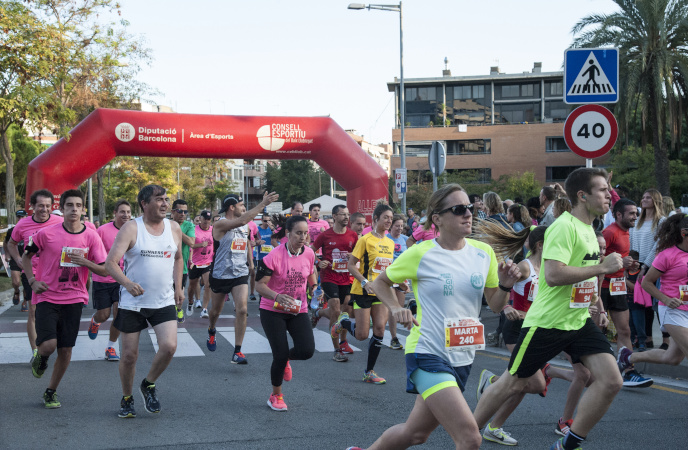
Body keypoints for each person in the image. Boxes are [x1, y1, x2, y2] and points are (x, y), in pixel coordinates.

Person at [346, 184, 521, 450]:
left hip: (462, 355)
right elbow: (381, 282)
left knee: (415, 434)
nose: (468, 214)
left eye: (470, 208)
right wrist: (394, 308)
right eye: (459, 209)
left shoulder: (482, 253)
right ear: (437, 219)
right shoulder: (422, 252)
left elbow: (496, 305)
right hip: (428, 352)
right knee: (470, 438)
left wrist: (506, 286)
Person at [473, 167, 624, 450]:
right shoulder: (564, 227)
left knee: (611, 380)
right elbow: (554, 275)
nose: (609, 195)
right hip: (547, 323)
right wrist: (602, 266)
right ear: (582, 195)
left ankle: (568, 444)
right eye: (603, 190)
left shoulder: (589, 229)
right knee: (513, 383)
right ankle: (467, 437)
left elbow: (585, 273)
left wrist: (596, 304)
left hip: (577, 321)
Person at [105, 184, 184, 418]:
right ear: (144, 204)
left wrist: (178, 287)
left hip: (164, 300)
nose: (165, 203)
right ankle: (127, 398)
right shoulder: (131, 228)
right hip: (133, 303)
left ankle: (148, 383)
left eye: (166, 199)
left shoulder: (174, 228)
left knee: (169, 347)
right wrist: (127, 283)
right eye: (159, 199)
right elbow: (111, 263)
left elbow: (178, 258)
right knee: (129, 355)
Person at [24, 190, 108, 409]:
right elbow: (26, 256)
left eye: (78, 205)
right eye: (69, 205)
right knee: (49, 345)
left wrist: (85, 262)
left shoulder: (91, 236)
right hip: (47, 296)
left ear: (83, 209)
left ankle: (51, 391)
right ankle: (40, 356)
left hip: (74, 298)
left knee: (66, 350)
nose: (74, 209)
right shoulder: (46, 233)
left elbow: (103, 267)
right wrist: (32, 281)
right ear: (61, 208)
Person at [471, 224, 549, 445]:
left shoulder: (551, 268)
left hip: (537, 329)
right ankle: (476, 428)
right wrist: (506, 308)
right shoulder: (525, 267)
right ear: (541, 245)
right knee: (533, 383)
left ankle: (494, 421)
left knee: (523, 383)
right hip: (517, 328)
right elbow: (498, 287)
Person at [206, 192, 279, 364]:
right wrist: (262, 204)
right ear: (232, 207)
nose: (244, 208)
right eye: (241, 205)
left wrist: (250, 263)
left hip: (239, 272)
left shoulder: (245, 226)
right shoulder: (221, 223)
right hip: (220, 274)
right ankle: (211, 329)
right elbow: (241, 221)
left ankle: (237, 351)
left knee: (242, 310)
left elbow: (246, 241)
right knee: (215, 311)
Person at [255, 215, 317, 411]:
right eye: (298, 233)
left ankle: (287, 359)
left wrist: (314, 287)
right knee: (279, 354)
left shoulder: (309, 253)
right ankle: (276, 395)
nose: (303, 237)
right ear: (288, 234)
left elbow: (311, 271)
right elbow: (258, 285)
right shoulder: (273, 256)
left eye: (305, 233)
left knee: (307, 351)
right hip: (272, 309)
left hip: (298, 308)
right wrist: (276, 296)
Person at [332, 203, 395, 384]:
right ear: (375, 219)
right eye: (386, 218)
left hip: (381, 291)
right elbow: (351, 265)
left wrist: (398, 282)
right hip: (362, 290)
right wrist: (365, 282)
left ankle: (369, 372)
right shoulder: (365, 240)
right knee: (361, 335)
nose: (389, 221)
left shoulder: (390, 243)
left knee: (380, 329)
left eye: (391, 218)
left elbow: (387, 269)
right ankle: (343, 322)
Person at [619, 214, 688, 376]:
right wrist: (665, 299)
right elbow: (646, 282)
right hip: (673, 312)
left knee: (673, 358)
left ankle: (628, 357)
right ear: (684, 233)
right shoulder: (667, 255)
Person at [601, 198, 653, 387]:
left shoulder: (627, 232)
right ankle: (591, 370)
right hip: (602, 286)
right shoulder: (609, 232)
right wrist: (617, 264)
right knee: (597, 329)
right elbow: (595, 259)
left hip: (618, 285)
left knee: (625, 330)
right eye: (631, 213)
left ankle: (628, 371)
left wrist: (630, 264)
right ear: (619, 214)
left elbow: (620, 261)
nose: (635, 216)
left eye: (635, 213)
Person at [7, 189, 63, 361]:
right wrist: (17, 259)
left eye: (47, 206)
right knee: (33, 310)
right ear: (32, 206)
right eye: (40, 206)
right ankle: (36, 351)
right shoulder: (23, 224)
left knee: (57, 310)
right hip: (32, 272)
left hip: (55, 272)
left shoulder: (59, 221)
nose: (44, 209)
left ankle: (53, 341)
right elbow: (12, 243)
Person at [311, 205, 358, 361]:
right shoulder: (325, 235)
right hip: (329, 276)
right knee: (336, 309)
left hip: (347, 277)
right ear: (334, 216)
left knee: (345, 312)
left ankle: (318, 313)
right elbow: (310, 251)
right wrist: (319, 262)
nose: (346, 217)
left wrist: (354, 256)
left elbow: (359, 256)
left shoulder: (353, 235)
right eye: (342, 214)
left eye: (347, 214)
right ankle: (336, 349)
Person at [87, 199, 132, 361]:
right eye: (122, 212)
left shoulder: (133, 230)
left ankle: (111, 347)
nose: (125, 215)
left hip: (122, 280)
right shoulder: (102, 230)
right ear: (115, 213)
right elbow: (92, 250)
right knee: (104, 315)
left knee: (118, 314)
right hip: (103, 279)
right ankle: (95, 320)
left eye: (128, 212)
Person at [630, 189, 666, 349]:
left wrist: (646, 266)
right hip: (636, 265)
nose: (643, 200)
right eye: (643, 197)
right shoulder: (637, 220)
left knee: (656, 304)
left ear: (655, 201)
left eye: (648, 197)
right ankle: (648, 337)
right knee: (642, 304)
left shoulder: (661, 221)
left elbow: (658, 245)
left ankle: (666, 340)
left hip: (654, 267)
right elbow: (632, 241)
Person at [386, 214, 409, 350]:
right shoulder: (385, 239)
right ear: (391, 226)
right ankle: (394, 338)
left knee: (399, 308)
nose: (400, 228)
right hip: (387, 277)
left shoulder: (406, 240)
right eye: (397, 226)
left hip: (402, 277)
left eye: (401, 226)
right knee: (393, 308)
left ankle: (382, 326)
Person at [171, 199, 195, 323]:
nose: (183, 214)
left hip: (181, 267)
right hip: (164, 266)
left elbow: (191, 242)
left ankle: (179, 309)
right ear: (173, 211)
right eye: (180, 211)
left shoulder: (189, 225)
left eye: (185, 211)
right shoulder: (164, 223)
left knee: (179, 293)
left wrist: (176, 229)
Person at [187, 210, 214, 318]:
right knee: (192, 286)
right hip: (195, 262)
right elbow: (191, 245)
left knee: (208, 284)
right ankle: (190, 302)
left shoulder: (213, 230)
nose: (206, 221)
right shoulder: (194, 230)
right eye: (204, 219)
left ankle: (204, 309)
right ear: (200, 219)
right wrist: (200, 245)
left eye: (208, 219)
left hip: (208, 261)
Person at [5, 209, 29, 308]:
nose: (20, 219)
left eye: (22, 216)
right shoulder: (11, 230)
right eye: (18, 217)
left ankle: (25, 301)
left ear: (26, 217)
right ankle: (16, 291)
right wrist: (7, 254)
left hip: (27, 259)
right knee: (16, 282)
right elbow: (6, 243)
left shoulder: (30, 229)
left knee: (26, 282)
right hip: (15, 258)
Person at [250, 214, 274, 303]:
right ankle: (262, 298)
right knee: (262, 279)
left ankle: (268, 296)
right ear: (261, 220)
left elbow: (278, 238)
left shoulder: (271, 229)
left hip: (271, 257)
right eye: (265, 221)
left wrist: (272, 228)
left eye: (268, 221)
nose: (267, 223)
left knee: (271, 279)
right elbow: (253, 241)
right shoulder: (258, 229)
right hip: (261, 258)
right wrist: (257, 242)